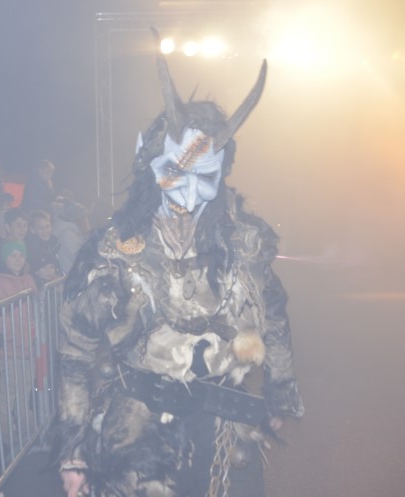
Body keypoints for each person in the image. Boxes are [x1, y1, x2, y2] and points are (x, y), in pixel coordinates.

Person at [53, 34, 304, 497]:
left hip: (224, 427)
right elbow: (76, 353)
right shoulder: (113, 251)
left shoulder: (242, 244)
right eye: (174, 173)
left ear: (221, 173)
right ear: (150, 163)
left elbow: (273, 317)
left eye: (204, 177)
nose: (187, 195)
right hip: (139, 436)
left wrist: (279, 389)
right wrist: (73, 452)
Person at [0, 241, 38, 451]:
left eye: (21, 255)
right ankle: (6, 438)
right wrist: (12, 339)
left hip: (28, 348)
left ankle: (27, 436)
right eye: (12, 256)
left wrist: (33, 336)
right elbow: (0, 318)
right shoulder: (0, 282)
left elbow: (35, 310)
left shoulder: (29, 279)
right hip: (10, 351)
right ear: (5, 259)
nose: (18, 260)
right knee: (7, 397)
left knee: (24, 394)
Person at [24, 209, 63, 285]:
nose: (45, 230)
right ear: (32, 229)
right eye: (41, 228)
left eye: (47, 226)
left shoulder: (54, 243)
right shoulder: (31, 249)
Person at [52, 198, 89, 275]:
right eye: (84, 217)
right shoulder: (68, 235)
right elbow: (79, 258)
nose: (87, 221)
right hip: (74, 276)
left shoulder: (73, 232)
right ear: (78, 219)